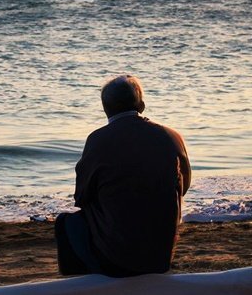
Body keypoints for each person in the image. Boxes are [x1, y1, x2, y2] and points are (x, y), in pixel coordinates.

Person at [55, 74, 191, 277]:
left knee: (66, 223)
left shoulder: (98, 140)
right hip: (160, 257)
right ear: (142, 105)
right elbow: (185, 186)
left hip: (117, 259)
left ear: (105, 108)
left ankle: (81, 285)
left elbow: (81, 197)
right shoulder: (171, 137)